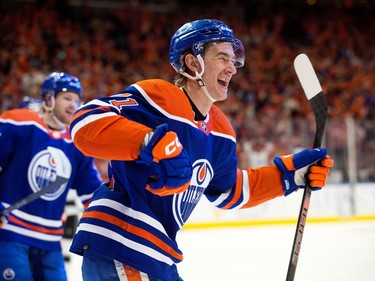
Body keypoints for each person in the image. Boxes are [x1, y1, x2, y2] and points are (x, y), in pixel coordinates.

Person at [68, 19, 334, 281]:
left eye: (233, 59)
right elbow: (85, 122)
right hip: (122, 246)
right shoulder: (159, 96)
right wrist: (150, 142)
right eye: (222, 58)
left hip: (158, 258)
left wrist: (290, 176)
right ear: (193, 63)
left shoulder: (221, 131)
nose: (232, 68)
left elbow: (229, 192)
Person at [0, 72, 102, 281]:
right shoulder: (19, 123)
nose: (74, 105)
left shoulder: (76, 145)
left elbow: (92, 193)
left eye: (77, 100)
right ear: (49, 98)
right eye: (67, 97)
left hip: (50, 242)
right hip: (11, 234)